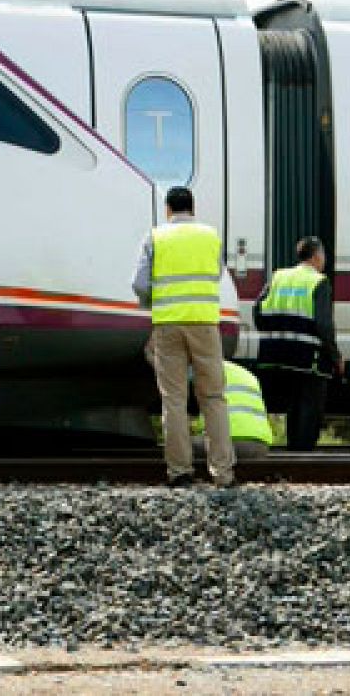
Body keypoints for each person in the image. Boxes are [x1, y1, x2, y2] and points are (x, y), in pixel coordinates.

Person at [132, 186, 234, 488]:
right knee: (214, 398)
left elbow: (138, 283)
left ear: (167, 209)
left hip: (167, 326)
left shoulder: (155, 237)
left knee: (174, 399)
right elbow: (215, 275)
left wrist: (156, 302)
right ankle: (223, 473)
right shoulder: (210, 236)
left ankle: (180, 472)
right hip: (204, 324)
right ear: (193, 207)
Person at [253, 236, 343, 450]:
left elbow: (257, 312)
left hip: (276, 355)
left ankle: (293, 451)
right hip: (307, 356)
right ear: (316, 256)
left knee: (293, 405)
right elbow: (324, 325)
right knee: (309, 407)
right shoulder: (318, 281)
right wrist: (336, 356)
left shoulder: (278, 277)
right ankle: (303, 454)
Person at [193, 360, 274, 461]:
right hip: (260, 446)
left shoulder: (205, 370)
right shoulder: (248, 374)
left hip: (226, 442)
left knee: (179, 447)